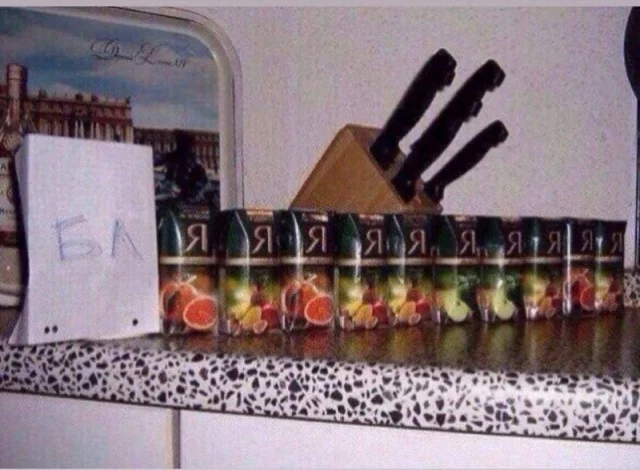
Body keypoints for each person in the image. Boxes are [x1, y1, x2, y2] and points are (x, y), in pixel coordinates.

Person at [164, 130, 208, 202]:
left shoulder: (191, 158)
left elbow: (202, 177)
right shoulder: (188, 157)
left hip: (186, 187)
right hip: (182, 187)